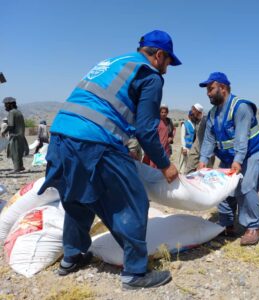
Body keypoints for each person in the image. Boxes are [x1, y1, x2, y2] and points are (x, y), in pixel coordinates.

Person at [37, 30, 181, 289]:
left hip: (60, 135)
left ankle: (72, 256)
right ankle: (135, 274)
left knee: (78, 197)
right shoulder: (150, 74)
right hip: (95, 139)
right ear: (159, 55)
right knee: (134, 200)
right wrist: (165, 165)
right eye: (169, 62)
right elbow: (147, 130)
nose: (167, 69)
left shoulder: (112, 63)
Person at [198, 72, 259, 246]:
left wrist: (237, 162)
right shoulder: (213, 114)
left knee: (246, 185)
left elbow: (241, 138)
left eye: (211, 89)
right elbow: (208, 139)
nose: (208, 93)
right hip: (230, 157)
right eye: (207, 90)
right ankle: (227, 224)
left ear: (223, 88)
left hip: (251, 154)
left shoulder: (241, 107)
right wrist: (203, 160)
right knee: (222, 186)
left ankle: (253, 226)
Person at [2, 97, 29, 173]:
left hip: (14, 135)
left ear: (10, 105)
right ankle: (21, 166)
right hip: (20, 135)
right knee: (18, 151)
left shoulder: (11, 113)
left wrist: (3, 132)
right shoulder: (18, 112)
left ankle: (16, 168)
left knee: (14, 152)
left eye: (6, 105)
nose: (5, 107)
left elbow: (11, 125)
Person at [179, 106, 201, 173]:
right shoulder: (185, 124)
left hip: (194, 148)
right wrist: (184, 147)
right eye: (191, 115)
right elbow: (182, 137)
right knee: (184, 165)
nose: (193, 116)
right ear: (189, 116)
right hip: (187, 148)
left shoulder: (195, 124)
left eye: (194, 115)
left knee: (192, 165)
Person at [184, 103, 205, 174]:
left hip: (205, 149)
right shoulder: (196, 121)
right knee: (190, 167)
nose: (191, 112)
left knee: (205, 170)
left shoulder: (205, 121)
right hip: (196, 147)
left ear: (198, 111)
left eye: (193, 110)